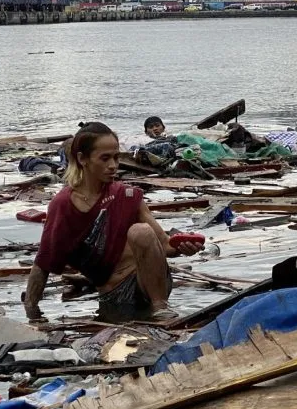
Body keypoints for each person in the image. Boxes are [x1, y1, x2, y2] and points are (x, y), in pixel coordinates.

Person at [24, 122, 203, 322]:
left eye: (116, 157)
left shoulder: (126, 195)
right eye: (105, 158)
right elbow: (44, 262)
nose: (113, 165)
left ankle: (160, 309)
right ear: (83, 159)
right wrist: (31, 310)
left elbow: (163, 245)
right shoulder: (64, 205)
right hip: (115, 294)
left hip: (152, 284)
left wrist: (184, 247)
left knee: (141, 231)